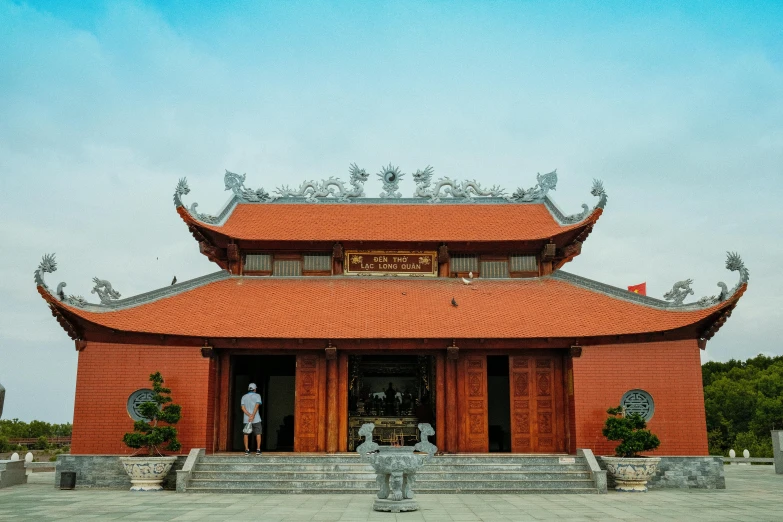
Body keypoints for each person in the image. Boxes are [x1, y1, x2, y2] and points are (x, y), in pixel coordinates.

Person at [241, 383, 263, 456]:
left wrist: (249, 415)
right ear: (255, 389)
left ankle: (246, 450)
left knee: (246, 433)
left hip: (246, 419)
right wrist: (253, 415)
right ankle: (258, 449)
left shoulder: (244, 397)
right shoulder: (257, 396)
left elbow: (243, 408)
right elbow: (257, 405)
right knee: (258, 433)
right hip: (256, 418)